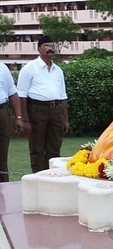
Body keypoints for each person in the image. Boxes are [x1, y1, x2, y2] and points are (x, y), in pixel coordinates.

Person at [17, 36, 70, 173]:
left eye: (52, 46)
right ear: (39, 49)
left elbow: (63, 96)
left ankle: (53, 176)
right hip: (37, 110)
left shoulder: (58, 70)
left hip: (56, 110)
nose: (50, 49)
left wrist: (65, 119)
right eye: (46, 46)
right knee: (37, 148)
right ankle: (39, 177)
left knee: (55, 147)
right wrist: (25, 119)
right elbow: (22, 95)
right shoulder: (29, 69)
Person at [0, 63, 24, 181]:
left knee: (2, 155)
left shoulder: (2, 67)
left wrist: (18, 117)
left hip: (2, 113)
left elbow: (13, 93)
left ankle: (3, 191)